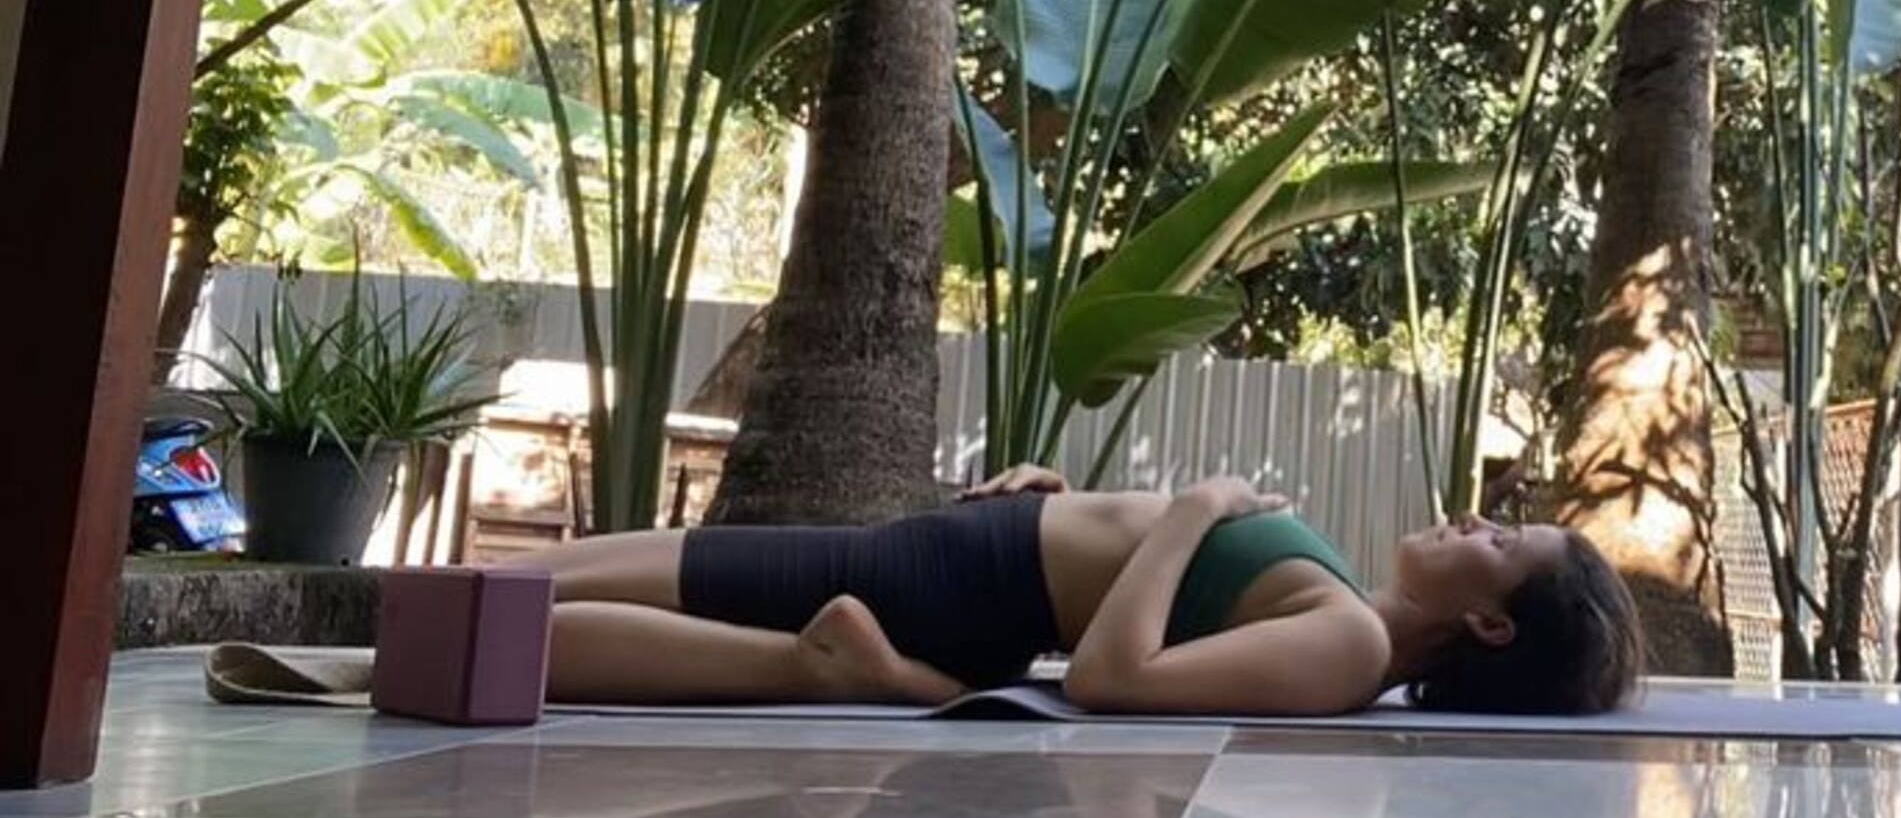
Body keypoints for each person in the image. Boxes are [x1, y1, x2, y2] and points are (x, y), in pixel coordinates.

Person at [514, 465, 1643, 716]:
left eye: (1500, 544)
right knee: (578, 576)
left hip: (960, 585)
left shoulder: (1348, 647)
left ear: (1487, 622)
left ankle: (452, 641)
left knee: (533, 602)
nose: (1474, 521)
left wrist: (1193, 508)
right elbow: (1141, 586)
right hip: (973, 564)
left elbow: (1111, 676)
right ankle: (868, 676)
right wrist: (1071, 495)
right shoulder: (1346, 608)